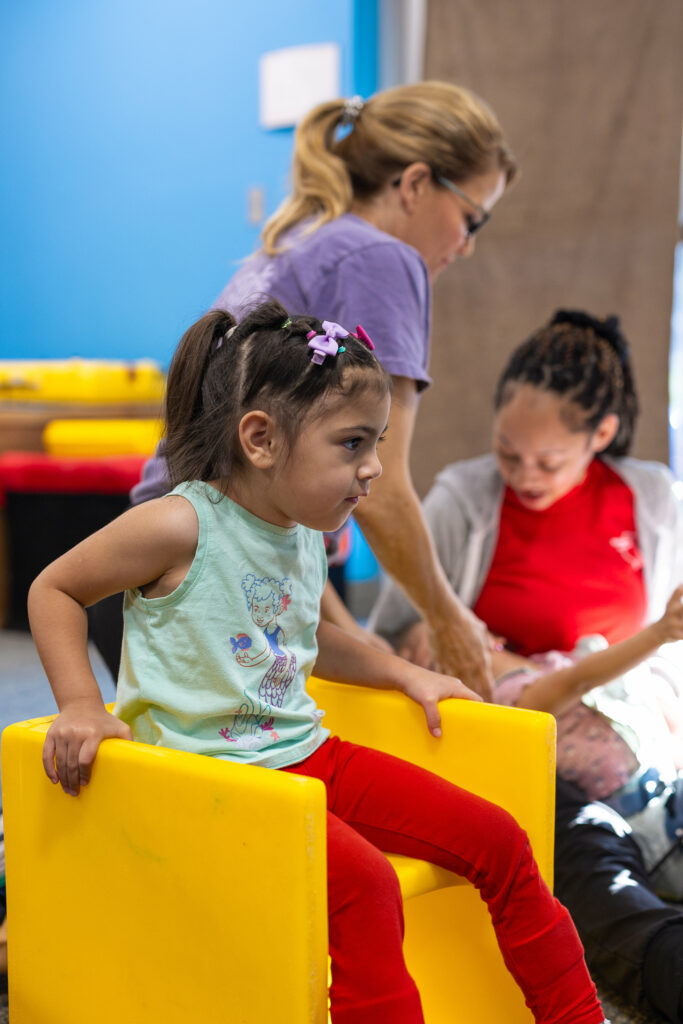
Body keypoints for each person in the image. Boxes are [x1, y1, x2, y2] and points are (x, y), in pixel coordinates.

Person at [28, 302, 606, 1024]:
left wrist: (401, 670)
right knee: (365, 885)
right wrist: (83, 705)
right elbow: (54, 588)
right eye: (353, 444)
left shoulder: (304, 529)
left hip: (303, 754)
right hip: (207, 779)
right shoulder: (180, 523)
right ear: (262, 439)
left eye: (378, 443)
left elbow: (302, 639)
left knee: (498, 837)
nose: (372, 470)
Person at [128, 80, 520, 698]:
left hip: (173, 552)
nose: (467, 246)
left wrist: (342, 626)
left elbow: (275, 503)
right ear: (415, 183)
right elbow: (381, 489)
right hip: (212, 576)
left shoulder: (308, 235)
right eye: (472, 217)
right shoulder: (383, 258)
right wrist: (451, 622)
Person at [371, 309, 683, 1023]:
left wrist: (500, 654)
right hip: (527, 757)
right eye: (508, 454)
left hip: (642, 738)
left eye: (547, 462)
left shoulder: (652, 502)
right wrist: (446, 644)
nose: (523, 476)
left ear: (599, 437)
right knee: (595, 880)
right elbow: (391, 638)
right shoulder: (461, 501)